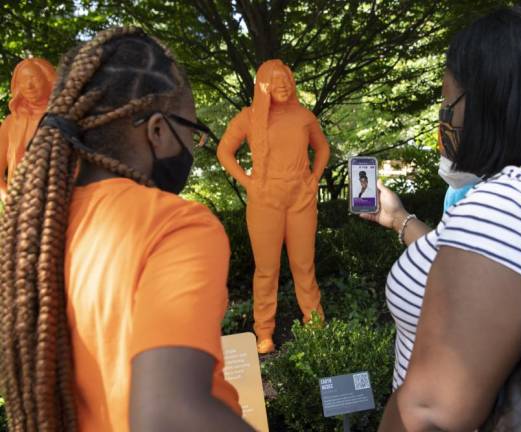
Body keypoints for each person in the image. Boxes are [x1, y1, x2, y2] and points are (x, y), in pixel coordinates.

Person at [362, 7, 521, 431]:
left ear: (492, 102)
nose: (444, 121)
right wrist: (400, 220)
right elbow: (475, 259)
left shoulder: (508, 207)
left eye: (448, 105)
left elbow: (430, 414)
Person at [0, 27, 253, 431]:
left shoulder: (32, 237)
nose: (193, 144)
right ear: (157, 131)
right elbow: (170, 416)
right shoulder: (175, 224)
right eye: (192, 132)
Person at [217, 59, 330, 354]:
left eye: (286, 79)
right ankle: (263, 332)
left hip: (300, 198)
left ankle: (314, 321)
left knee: (304, 265)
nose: (282, 85)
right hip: (265, 199)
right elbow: (224, 151)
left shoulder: (304, 117)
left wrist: (314, 179)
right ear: (262, 85)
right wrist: (248, 182)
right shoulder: (249, 117)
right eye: (274, 80)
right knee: (267, 269)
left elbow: (323, 148)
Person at [0, 58, 56, 200]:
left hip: (60, 205)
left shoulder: (65, 119)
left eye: (34, 78)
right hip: (20, 211)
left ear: (48, 79)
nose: (29, 86)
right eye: (23, 81)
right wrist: (9, 199)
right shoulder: (10, 123)